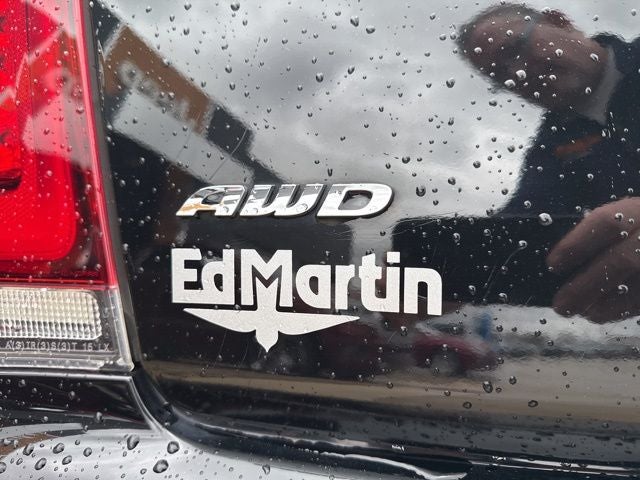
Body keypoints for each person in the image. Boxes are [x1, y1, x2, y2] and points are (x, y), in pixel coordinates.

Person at [456, 3, 640, 322]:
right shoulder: (554, 144)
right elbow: (526, 221)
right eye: (500, 76)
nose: (517, 74)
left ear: (560, 21)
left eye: (514, 49)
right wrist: (447, 272)